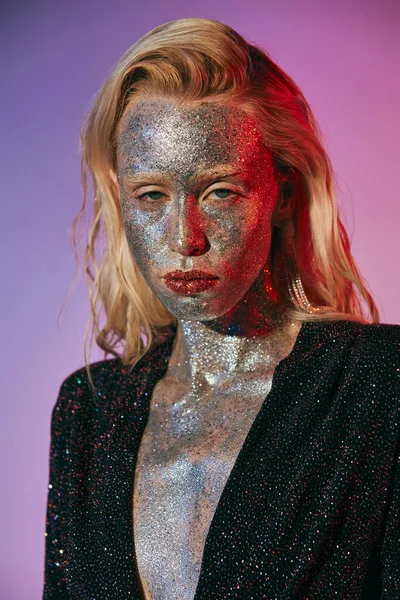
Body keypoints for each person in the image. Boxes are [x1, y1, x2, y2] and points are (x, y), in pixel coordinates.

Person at [43, 17, 399, 600]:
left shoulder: (379, 384)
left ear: (281, 192)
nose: (185, 236)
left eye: (220, 192)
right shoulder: (88, 412)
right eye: (151, 195)